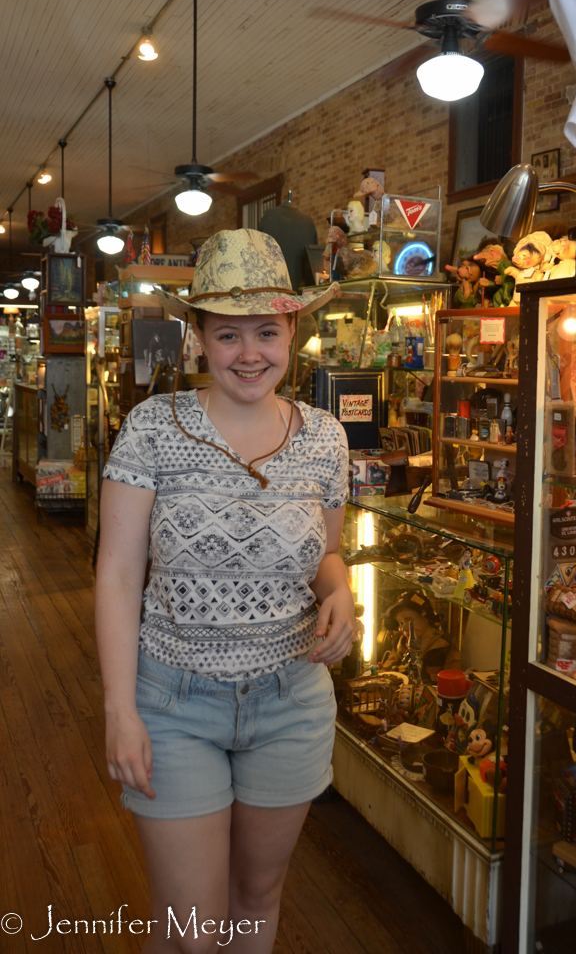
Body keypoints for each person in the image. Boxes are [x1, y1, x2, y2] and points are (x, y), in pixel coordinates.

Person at [95, 228, 355, 954]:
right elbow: (117, 573)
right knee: (190, 931)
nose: (250, 353)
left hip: (292, 702)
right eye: (229, 334)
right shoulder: (153, 428)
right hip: (173, 705)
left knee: (257, 899)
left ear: (292, 332)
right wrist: (120, 711)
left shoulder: (326, 438)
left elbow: (327, 554)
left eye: (266, 332)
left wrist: (342, 593)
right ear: (199, 337)